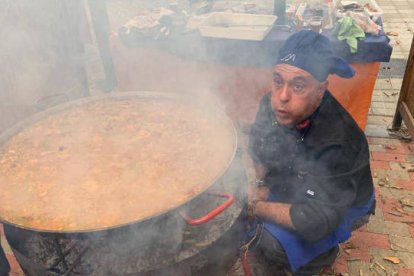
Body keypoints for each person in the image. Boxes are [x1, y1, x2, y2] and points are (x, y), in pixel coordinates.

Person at [246, 30, 375, 275]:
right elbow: (259, 147)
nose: (282, 97)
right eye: (277, 80)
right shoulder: (271, 104)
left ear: (321, 89)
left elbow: (318, 217)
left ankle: (322, 257)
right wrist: (259, 182)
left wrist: (254, 206)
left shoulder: (339, 140)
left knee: (271, 242)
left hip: (343, 204)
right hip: (298, 178)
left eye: (298, 85)